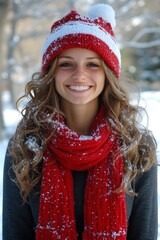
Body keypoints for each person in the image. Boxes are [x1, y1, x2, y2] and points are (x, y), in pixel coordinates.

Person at [3, 3, 157, 240]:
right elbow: (15, 233)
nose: (79, 74)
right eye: (66, 64)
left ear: (108, 73)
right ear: (51, 73)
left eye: (92, 64)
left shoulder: (137, 146)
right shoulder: (25, 147)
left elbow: (144, 233)